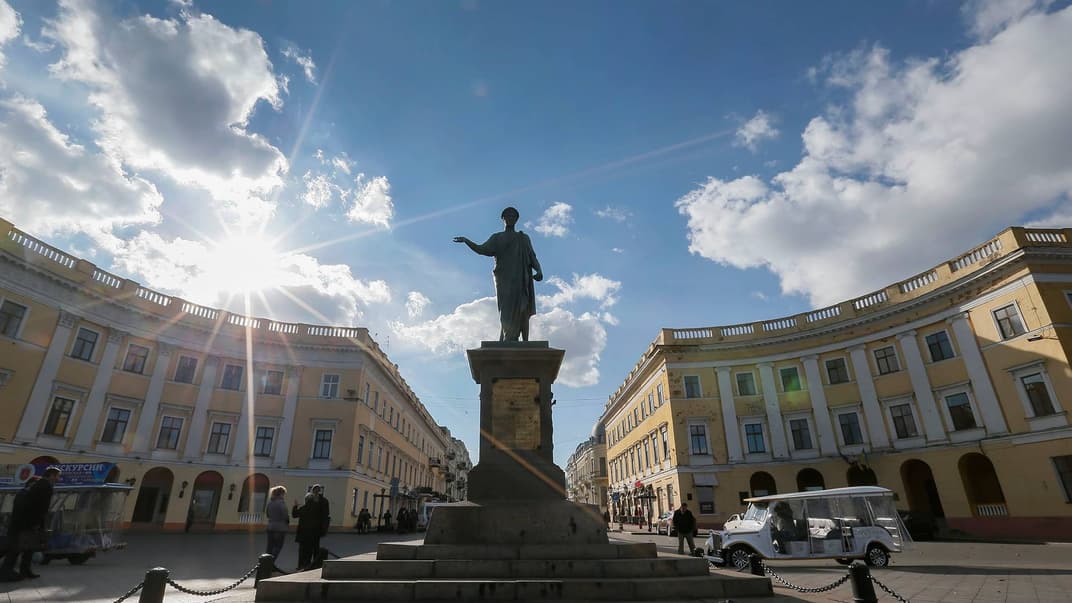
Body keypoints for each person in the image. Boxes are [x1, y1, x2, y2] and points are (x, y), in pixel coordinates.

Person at [454, 206, 543, 342]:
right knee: (506, 310)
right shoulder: (497, 238)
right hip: (504, 279)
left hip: (520, 278)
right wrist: (467, 241)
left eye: (513, 216)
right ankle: (508, 338)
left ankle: (524, 342)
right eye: (507, 216)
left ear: (517, 219)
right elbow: (481, 249)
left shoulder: (523, 238)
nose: (510, 218)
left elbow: (532, 257)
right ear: (503, 219)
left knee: (523, 308)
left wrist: (539, 270)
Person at [1, 466, 60, 582]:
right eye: (57, 476)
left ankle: (24, 570)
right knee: (17, 548)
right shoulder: (45, 486)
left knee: (28, 548)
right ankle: (7, 572)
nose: (58, 479)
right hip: (28, 524)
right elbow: (42, 508)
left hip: (25, 523)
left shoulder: (36, 488)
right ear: (52, 475)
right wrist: (38, 524)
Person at [292, 493, 319, 571]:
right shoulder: (317, 509)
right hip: (313, 533)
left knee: (302, 550)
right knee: (310, 550)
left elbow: (295, 515)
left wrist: (295, 506)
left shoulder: (303, 508)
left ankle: (300, 565)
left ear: (306, 500)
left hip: (303, 533)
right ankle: (308, 565)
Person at [265, 486, 288, 561]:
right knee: (278, 546)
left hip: (270, 526)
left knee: (269, 547)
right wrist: (287, 521)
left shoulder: (270, 503)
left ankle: (265, 563)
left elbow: (267, 514)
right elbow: (285, 515)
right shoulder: (281, 503)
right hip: (280, 528)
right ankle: (271, 563)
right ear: (281, 494)